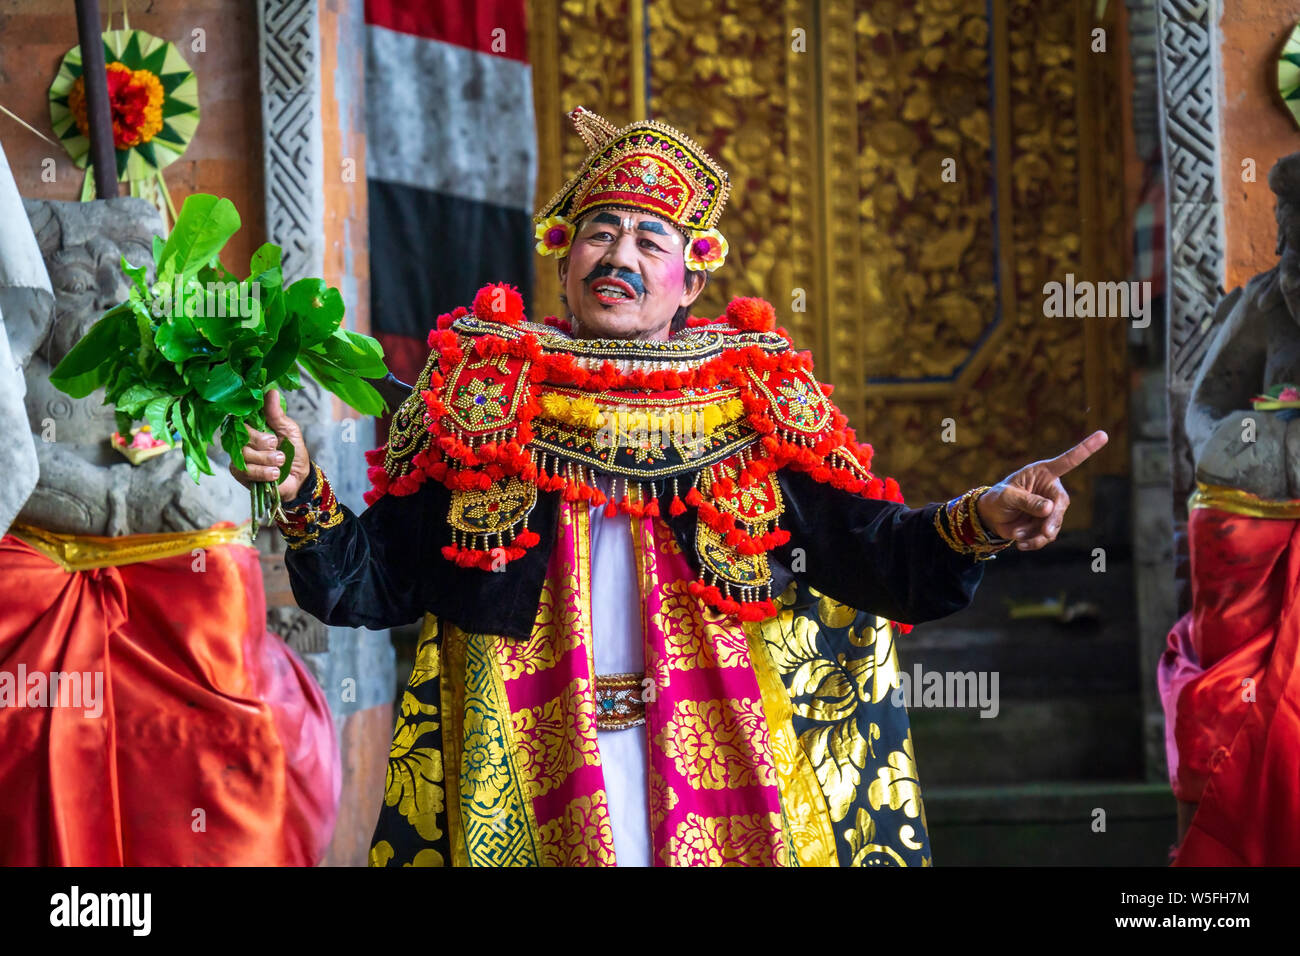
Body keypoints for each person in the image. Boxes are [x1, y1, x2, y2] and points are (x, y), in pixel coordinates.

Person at [231, 106, 1107, 866]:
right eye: (600, 232)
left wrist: (982, 517)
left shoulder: (750, 396)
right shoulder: (485, 392)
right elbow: (372, 580)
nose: (620, 254)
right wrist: (303, 490)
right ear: (565, 259)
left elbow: (870, 550)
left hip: (718, 762)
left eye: (651, 239)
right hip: (529, 767)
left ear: (691, 275)